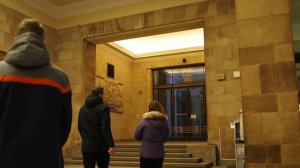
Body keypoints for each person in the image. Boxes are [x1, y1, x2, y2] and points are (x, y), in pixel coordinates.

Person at [0, 18, 72, 168]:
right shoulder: (60, 79)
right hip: (45, 160)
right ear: (43, 42)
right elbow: (64, 126)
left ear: (15, 39)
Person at [78, 87, 115, 168]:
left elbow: (80, 127)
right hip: (101, 147)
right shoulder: (103, 108)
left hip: (87, 147)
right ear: (100, 95)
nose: (105, 96)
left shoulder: (82, 108)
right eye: (104, 94)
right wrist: (110, 145)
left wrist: (85, 139)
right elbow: (105, 128)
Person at [134, 100, 169, 168]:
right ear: (160, 109)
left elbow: (137, 136)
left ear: (149, 109)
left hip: (145, 153)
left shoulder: (143, 122)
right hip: (159, 153)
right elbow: (165, 137)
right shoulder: (163, 122)